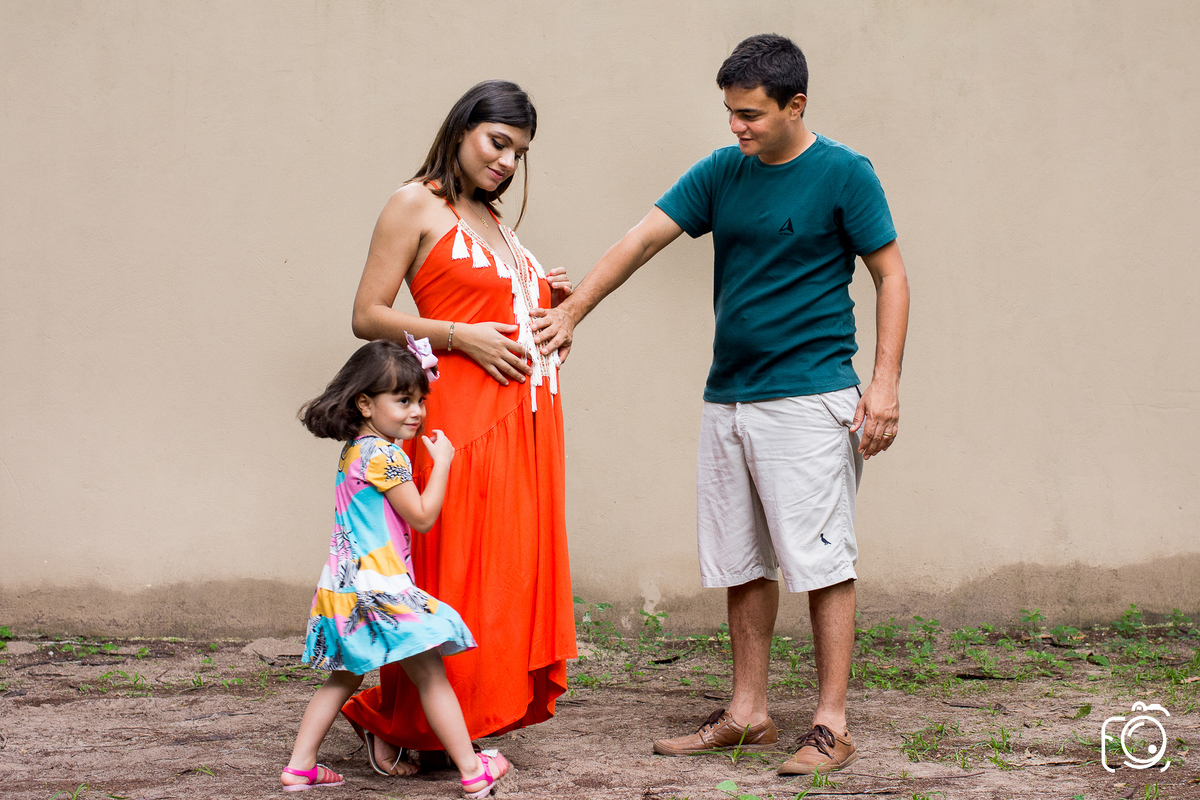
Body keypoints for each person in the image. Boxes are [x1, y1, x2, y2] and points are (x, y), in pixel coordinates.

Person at [532, 35, 910, 776]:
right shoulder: (723, 173)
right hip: (729, 397)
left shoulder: (843, 173)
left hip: (810, 396)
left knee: (823, 561)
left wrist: (885, 383)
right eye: (731, 114)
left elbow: (890, 275)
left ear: (795, 105)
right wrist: (574, 309)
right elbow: (643, 239)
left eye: (751, 115)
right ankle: (748, 712)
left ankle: (832, 724)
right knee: (742, 559)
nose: (737, 128)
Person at [341, 80, 577, 772]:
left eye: (519, 152)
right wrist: (457, 336)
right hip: (461, 422)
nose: (506, 161)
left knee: (501, 578)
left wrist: (549, 305)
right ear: (463, 128)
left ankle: (459, 720)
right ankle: (394, 721)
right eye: (497, 142)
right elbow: (367, 313)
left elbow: (507, 317)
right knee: (459, 575)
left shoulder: (497, 223)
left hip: (527, 422)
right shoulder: (415, 203)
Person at [282, 338, 509, 797]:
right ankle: (472, 769)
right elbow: (422, 517)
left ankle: (300, 766)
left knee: (344, 677)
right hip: (381, 587)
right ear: (365, 403)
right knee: (430, 674)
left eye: (421, 401)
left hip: (345, 586)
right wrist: (442, 462)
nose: (417, 411)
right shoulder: (386, 456)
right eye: (403, 400)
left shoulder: (353, 450)